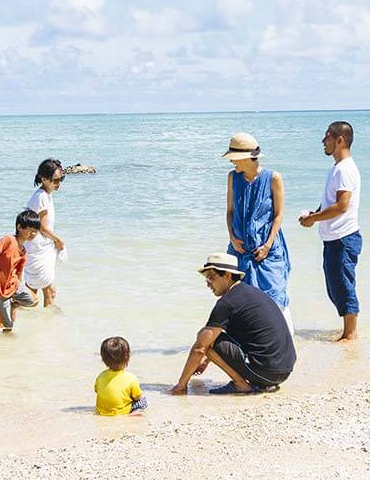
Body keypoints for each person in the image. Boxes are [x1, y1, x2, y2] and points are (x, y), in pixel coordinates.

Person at [170, 253, 296, 396]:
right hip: (284, 370)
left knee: (204, 337)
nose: (208, 284)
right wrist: (206, 360)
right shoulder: (251, 293)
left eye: (211, 278)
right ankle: (248, 381)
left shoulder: (227, 303)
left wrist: (181, 385)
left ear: (228, 276)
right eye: (206, 279)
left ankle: (240, 384)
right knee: (210, 336)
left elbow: (199, 348)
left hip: (267, 373)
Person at [222, 132, 292, 333]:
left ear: (245, 157)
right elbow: (230, 211)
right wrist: (232, 238)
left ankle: (281, 344)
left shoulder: (273, 178)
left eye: (234, 159)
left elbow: (278, 215)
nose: (232, 163)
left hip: (267, 249)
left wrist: (267, 245)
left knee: (274, 296)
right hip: (238, 248)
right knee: (239, 300)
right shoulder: (232, 177)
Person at [298, 120, 362, 341]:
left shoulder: (344, 169)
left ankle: (350, 334)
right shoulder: (337, 168)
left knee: (342, 286)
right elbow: (330, 203)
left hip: (343, 238)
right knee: (335, 286)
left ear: (339, 140)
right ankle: (348, 331)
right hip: (335, 238)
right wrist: (313, 215)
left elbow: (342, 205)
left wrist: (314, 219)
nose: (322, 141)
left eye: (326, 137)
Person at [0, 210, 41, 332]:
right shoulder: (8, 240)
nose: (33, 233)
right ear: (19, 227)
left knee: (34, 301)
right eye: (31, 229)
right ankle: (6, 350)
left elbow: (19, 273)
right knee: (7, 327)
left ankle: (14, 303)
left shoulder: (23, 251)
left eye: (36, 231)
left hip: (14, 285)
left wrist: (19, 289)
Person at [24, 158, 66, 307]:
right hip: (38, 249)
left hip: (38, 248)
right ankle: (48, 322)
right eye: (55, 180)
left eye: (61, 179)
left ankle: (29, 319)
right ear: (44, 178)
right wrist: (58, 240)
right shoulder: (41, 197)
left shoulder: (44, 195)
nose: (58, 183)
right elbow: (42, 227)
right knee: (48, 291)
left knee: (34, 291)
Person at [94, 336, 147, 416]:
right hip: (122, 412)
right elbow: (137, 397)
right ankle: (136, 412)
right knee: (143, 401)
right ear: (127, 357)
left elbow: (96, 390)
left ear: (103, 359)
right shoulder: (131, 378)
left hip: (102, 411)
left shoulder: (101, 376)